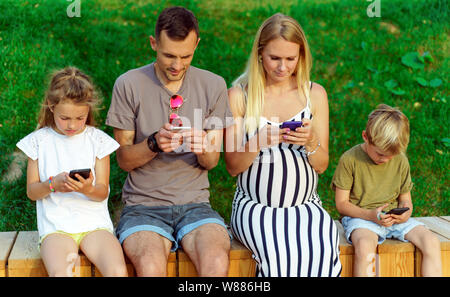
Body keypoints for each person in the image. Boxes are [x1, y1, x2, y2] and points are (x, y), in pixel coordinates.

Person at [106, 6, 232, 276]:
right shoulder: (128, 84)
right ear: (153, 44)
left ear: (197, 44)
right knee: (150, 266)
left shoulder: (214, 85)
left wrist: (204, 147)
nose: (177, 65)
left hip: (196, 204)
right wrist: (153, 144)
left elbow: (211, 163)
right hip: (142, 206)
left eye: (185, 56)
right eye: (169, 56)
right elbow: (123, 160)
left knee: (217, 261)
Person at [224, 13, 342, 277]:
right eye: (274, 58)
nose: (282, 67)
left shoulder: (314, 95)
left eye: (291, 59)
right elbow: (232, 166)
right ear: (259, 54)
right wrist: (256, 141)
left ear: (301, 56)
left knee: (322, 253)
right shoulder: (239, 96)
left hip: (306, 207)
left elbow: (322, 165)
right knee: (281, 258)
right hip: (256, 208)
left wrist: (311, 141)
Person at [16, 67, 128, 277]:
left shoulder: (98, 141)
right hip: (56, 229)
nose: (73, 125)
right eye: (65, 118)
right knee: (62, 273)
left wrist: (87, 189)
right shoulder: (38, 142)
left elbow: (102, 192)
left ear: (88, 111)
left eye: (80, 118)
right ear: (51, 106)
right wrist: (52, 184)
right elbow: (32, 192)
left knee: (117, 270)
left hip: (95, 226)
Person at [332, 104, 442, 277]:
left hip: (392, 219)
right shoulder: (350, 159)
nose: (386, 159)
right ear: (365, 137)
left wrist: (405, 213)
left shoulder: (400, 161)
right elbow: (341, 204)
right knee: (366, 247)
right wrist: (370, 215)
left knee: (431, 241)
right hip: (361, 218)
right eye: (381, 154)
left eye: (391, 156)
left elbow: (405, 200)